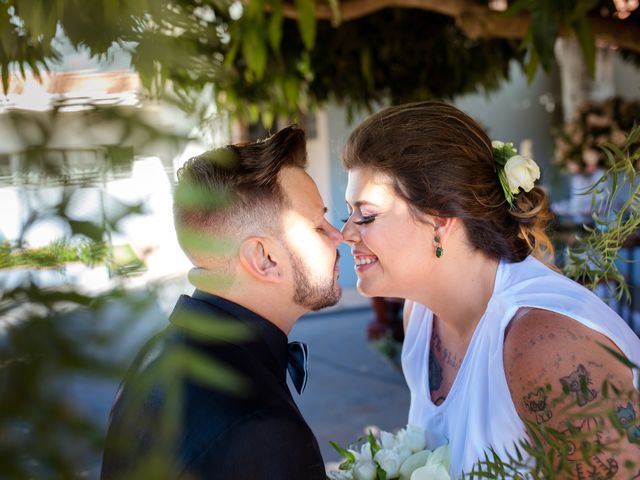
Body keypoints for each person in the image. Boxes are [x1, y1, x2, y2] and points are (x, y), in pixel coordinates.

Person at [340, 101, 640, 478]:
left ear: (440, 219)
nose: (347, 233)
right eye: (347, 213)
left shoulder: (545, 346)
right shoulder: (419, 315)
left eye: (366, 215)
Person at [101, 125, 342, 479]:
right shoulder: (260, 428)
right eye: (318, 226)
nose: (340, 236)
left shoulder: (155, 355)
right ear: (264, 258)